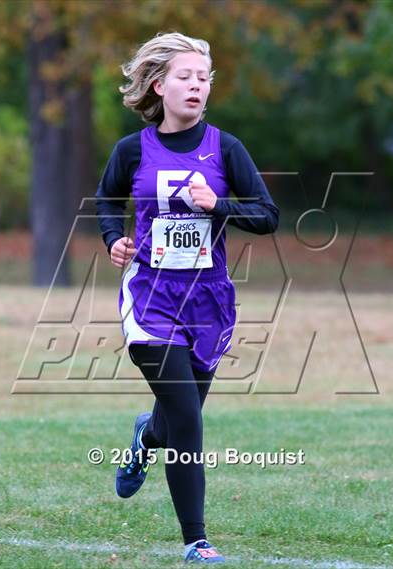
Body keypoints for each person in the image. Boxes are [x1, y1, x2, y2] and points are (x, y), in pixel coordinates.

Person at [96, 31, 279, 565]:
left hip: (209, 303)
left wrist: (217, 203)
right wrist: (115, 239)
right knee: (190, 422)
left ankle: (145, 437)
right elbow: (107, 199)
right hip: (151, 297)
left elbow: (268, 217)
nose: (197, 85)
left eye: (204, 78)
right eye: (186, 76)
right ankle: (196, 541)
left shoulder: (226, 148)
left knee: (177, 416)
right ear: (159, 85)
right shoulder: (131, 150)